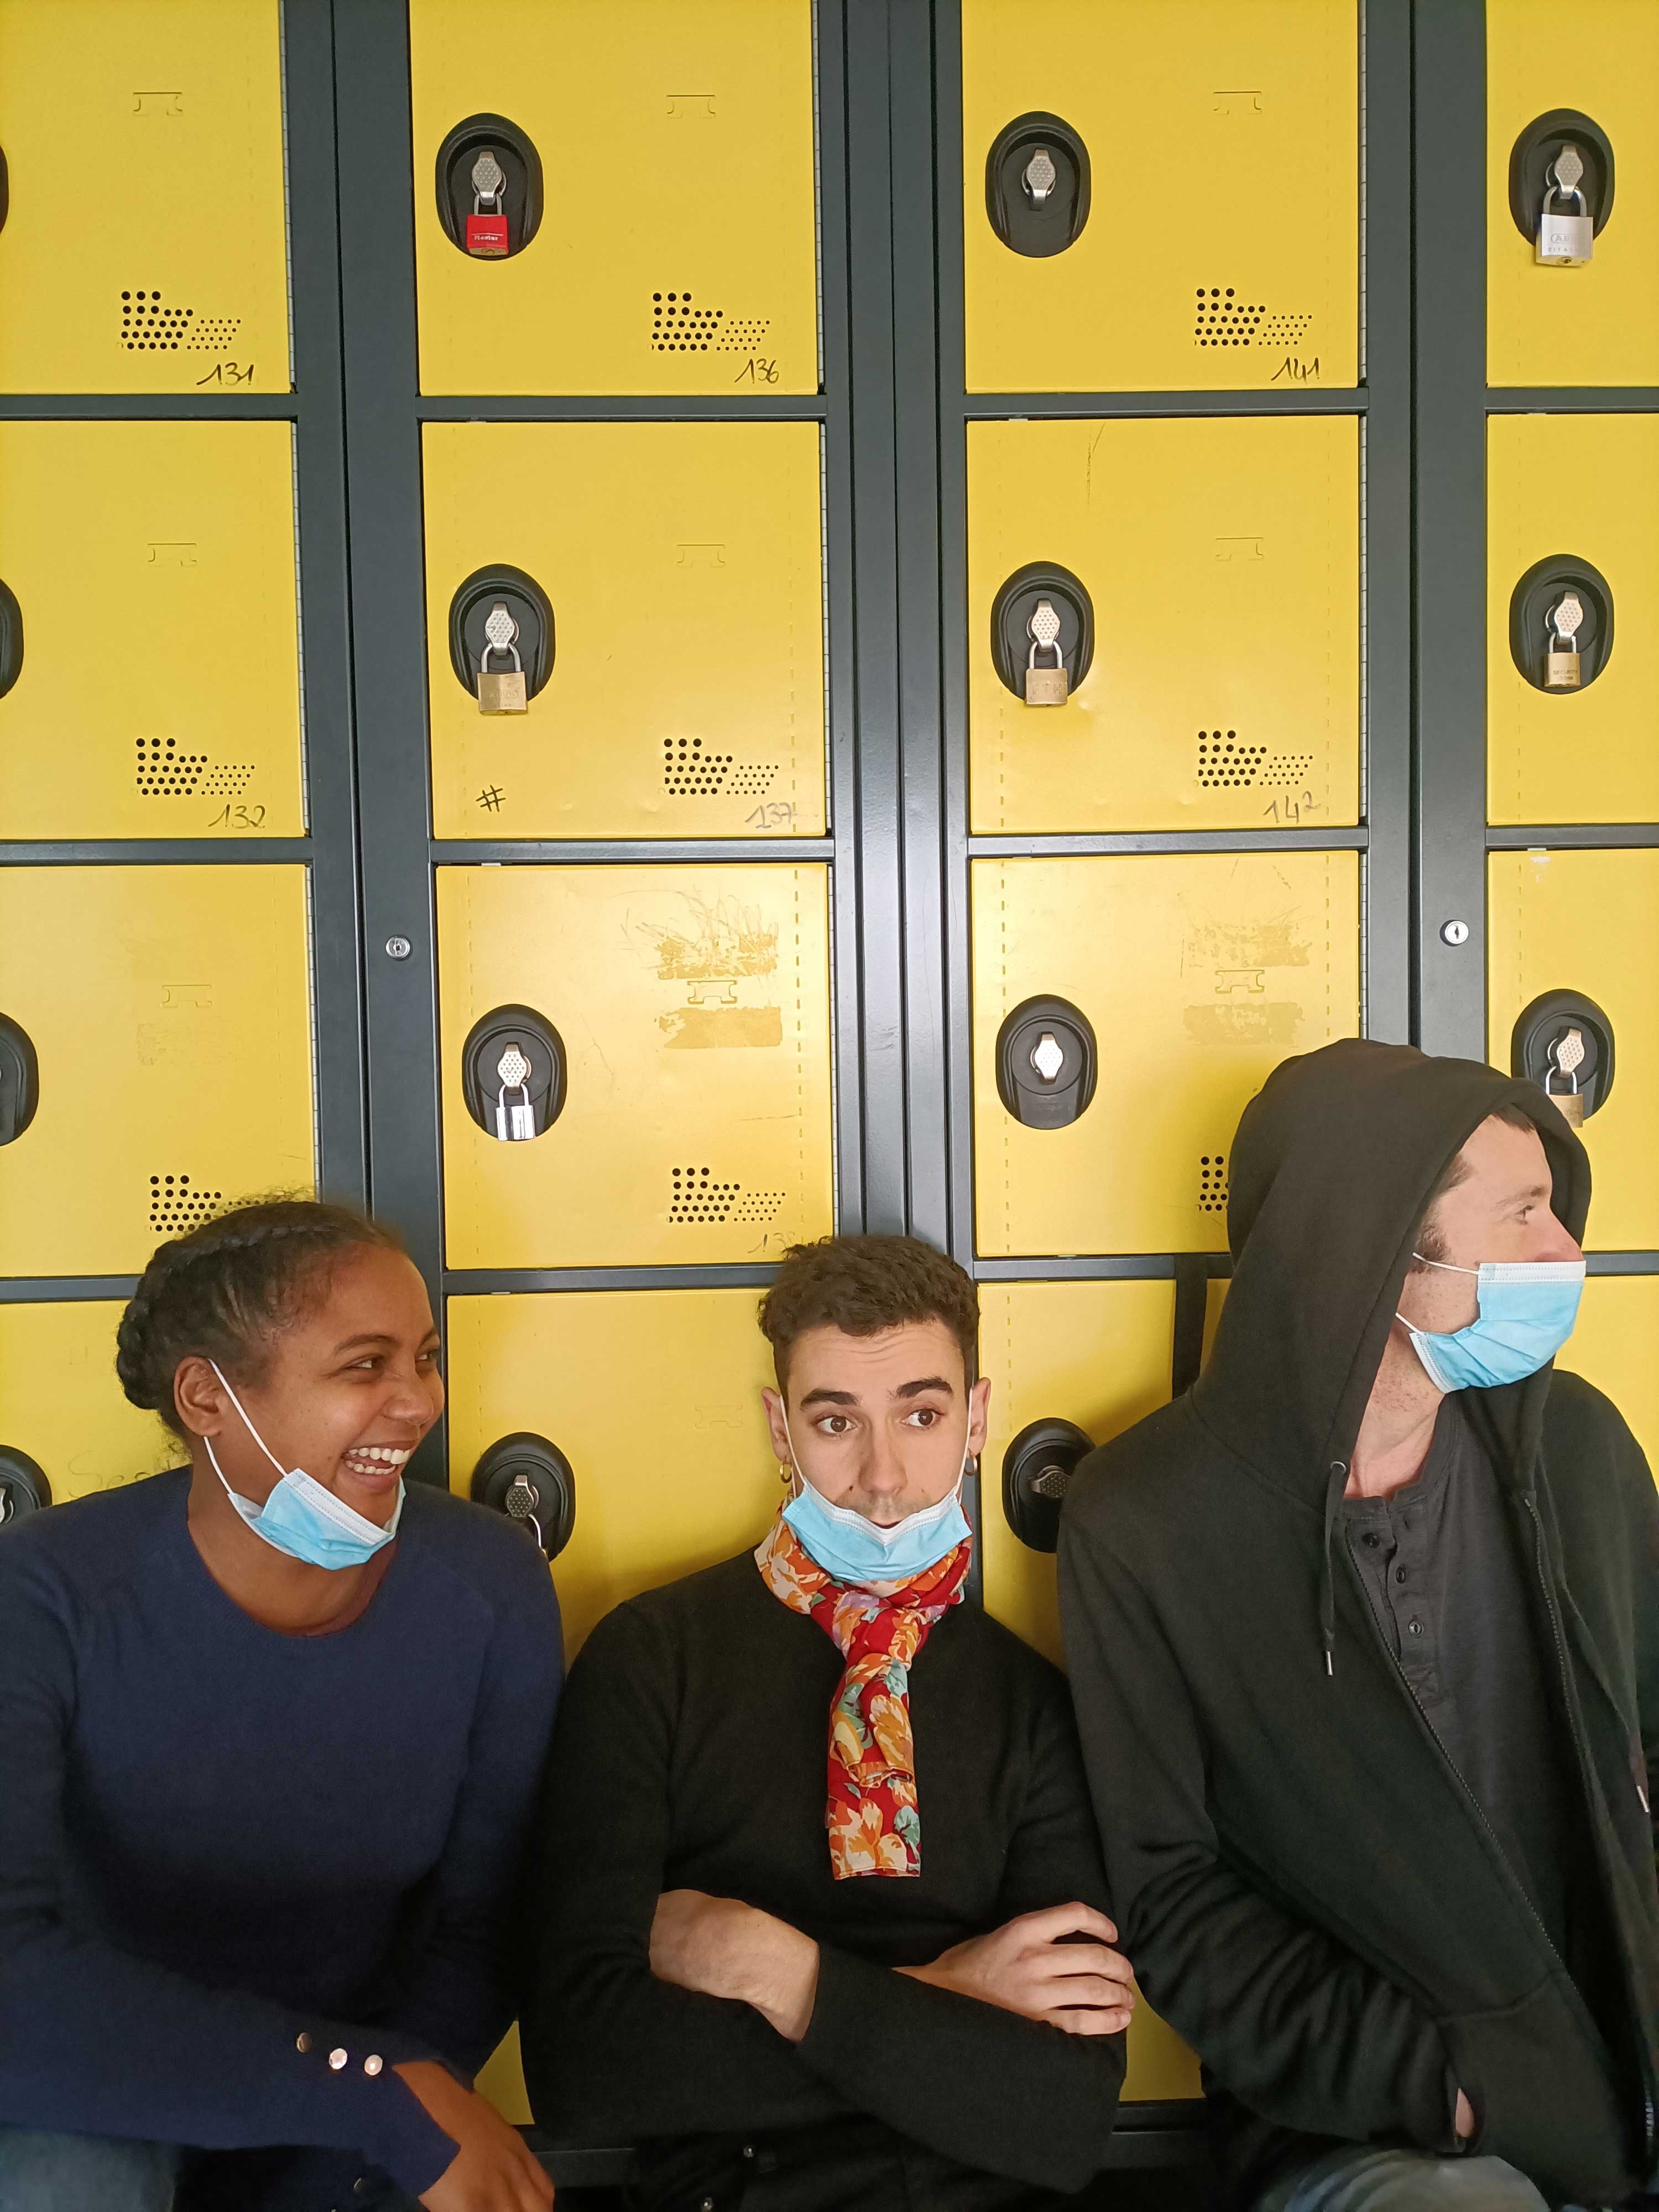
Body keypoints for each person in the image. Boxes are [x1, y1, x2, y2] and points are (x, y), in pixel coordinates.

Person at [1058, 1038, 1659, 2212]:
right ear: (1380, 1247)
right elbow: (1173, 1898)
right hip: (1379, 2132)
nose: (1566, 1250)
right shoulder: (1146, 1523)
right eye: (1523, 1213)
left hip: (1625, 2064)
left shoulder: (1579, 1445)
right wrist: (1450, 2089)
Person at [521, 1233, 1132, 2210]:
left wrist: (781, 1972)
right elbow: (582, 2070)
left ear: (978, 1419)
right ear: (781, 1429)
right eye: (837, 1422)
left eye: (922, 1415)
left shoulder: (1032, 1703)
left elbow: (1065, 2115)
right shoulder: (652, 1660)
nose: (884, 1477)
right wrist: (952, 1993)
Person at [0, 1199, 564, 2212]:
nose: (417, 1403)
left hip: (369, 2072)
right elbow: (10, 1969)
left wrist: (365, 2128)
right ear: (207, 1398)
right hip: (102, 2077)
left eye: (425, 1359)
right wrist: (366, 2095)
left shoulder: (491, 1588)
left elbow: (481, 1931)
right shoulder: (42, 1592)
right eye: (365, 1366)